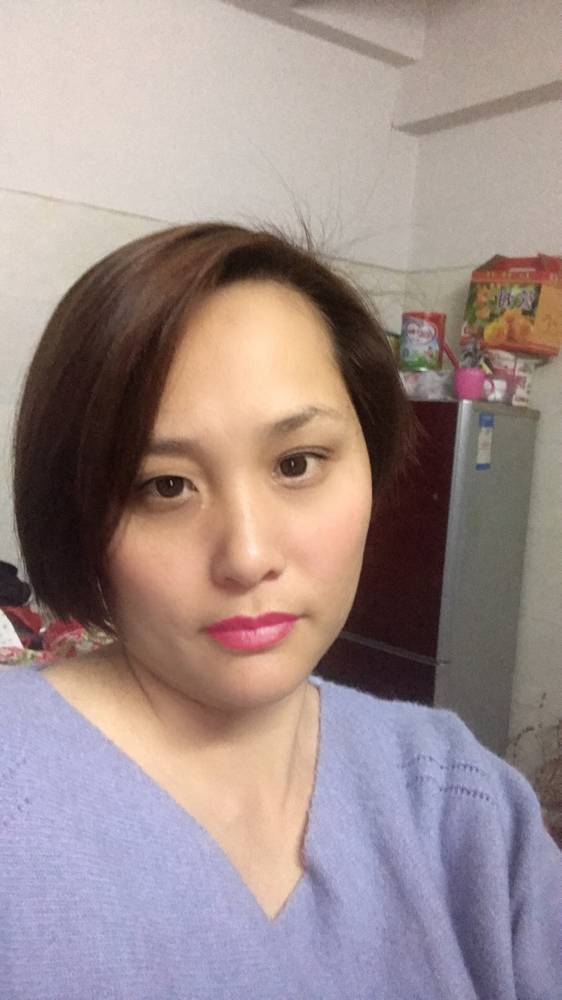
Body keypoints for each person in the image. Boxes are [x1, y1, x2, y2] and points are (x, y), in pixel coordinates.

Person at [2, 223, 560, 1000]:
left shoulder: (460, 803)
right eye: (166, 486)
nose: (247, 554)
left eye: (297, 464)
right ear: (78, 515)